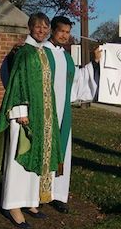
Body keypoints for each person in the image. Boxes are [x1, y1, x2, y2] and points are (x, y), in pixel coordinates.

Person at [0, 12, 60, 229]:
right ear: (30, 28)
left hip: (42, 116)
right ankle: (13, 206)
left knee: (36, 157)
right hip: (23, 116)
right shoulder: (23, 52)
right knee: (19, 159)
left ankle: (30, 201)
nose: (42, 31)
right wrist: (21, 111)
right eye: (38, 27)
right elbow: (16, 82)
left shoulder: (42, 52)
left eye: (46, 27)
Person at [43, 16, 101, 213]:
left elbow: (79, 80)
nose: (65, 36)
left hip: (63, 115)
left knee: (61, 153)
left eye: (68, 32)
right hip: (44, 114)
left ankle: (57, 194)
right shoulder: (41, 53)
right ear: (52, 30)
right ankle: (37, 193)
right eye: (61, 31)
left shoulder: (66, 58)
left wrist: (94, 63)